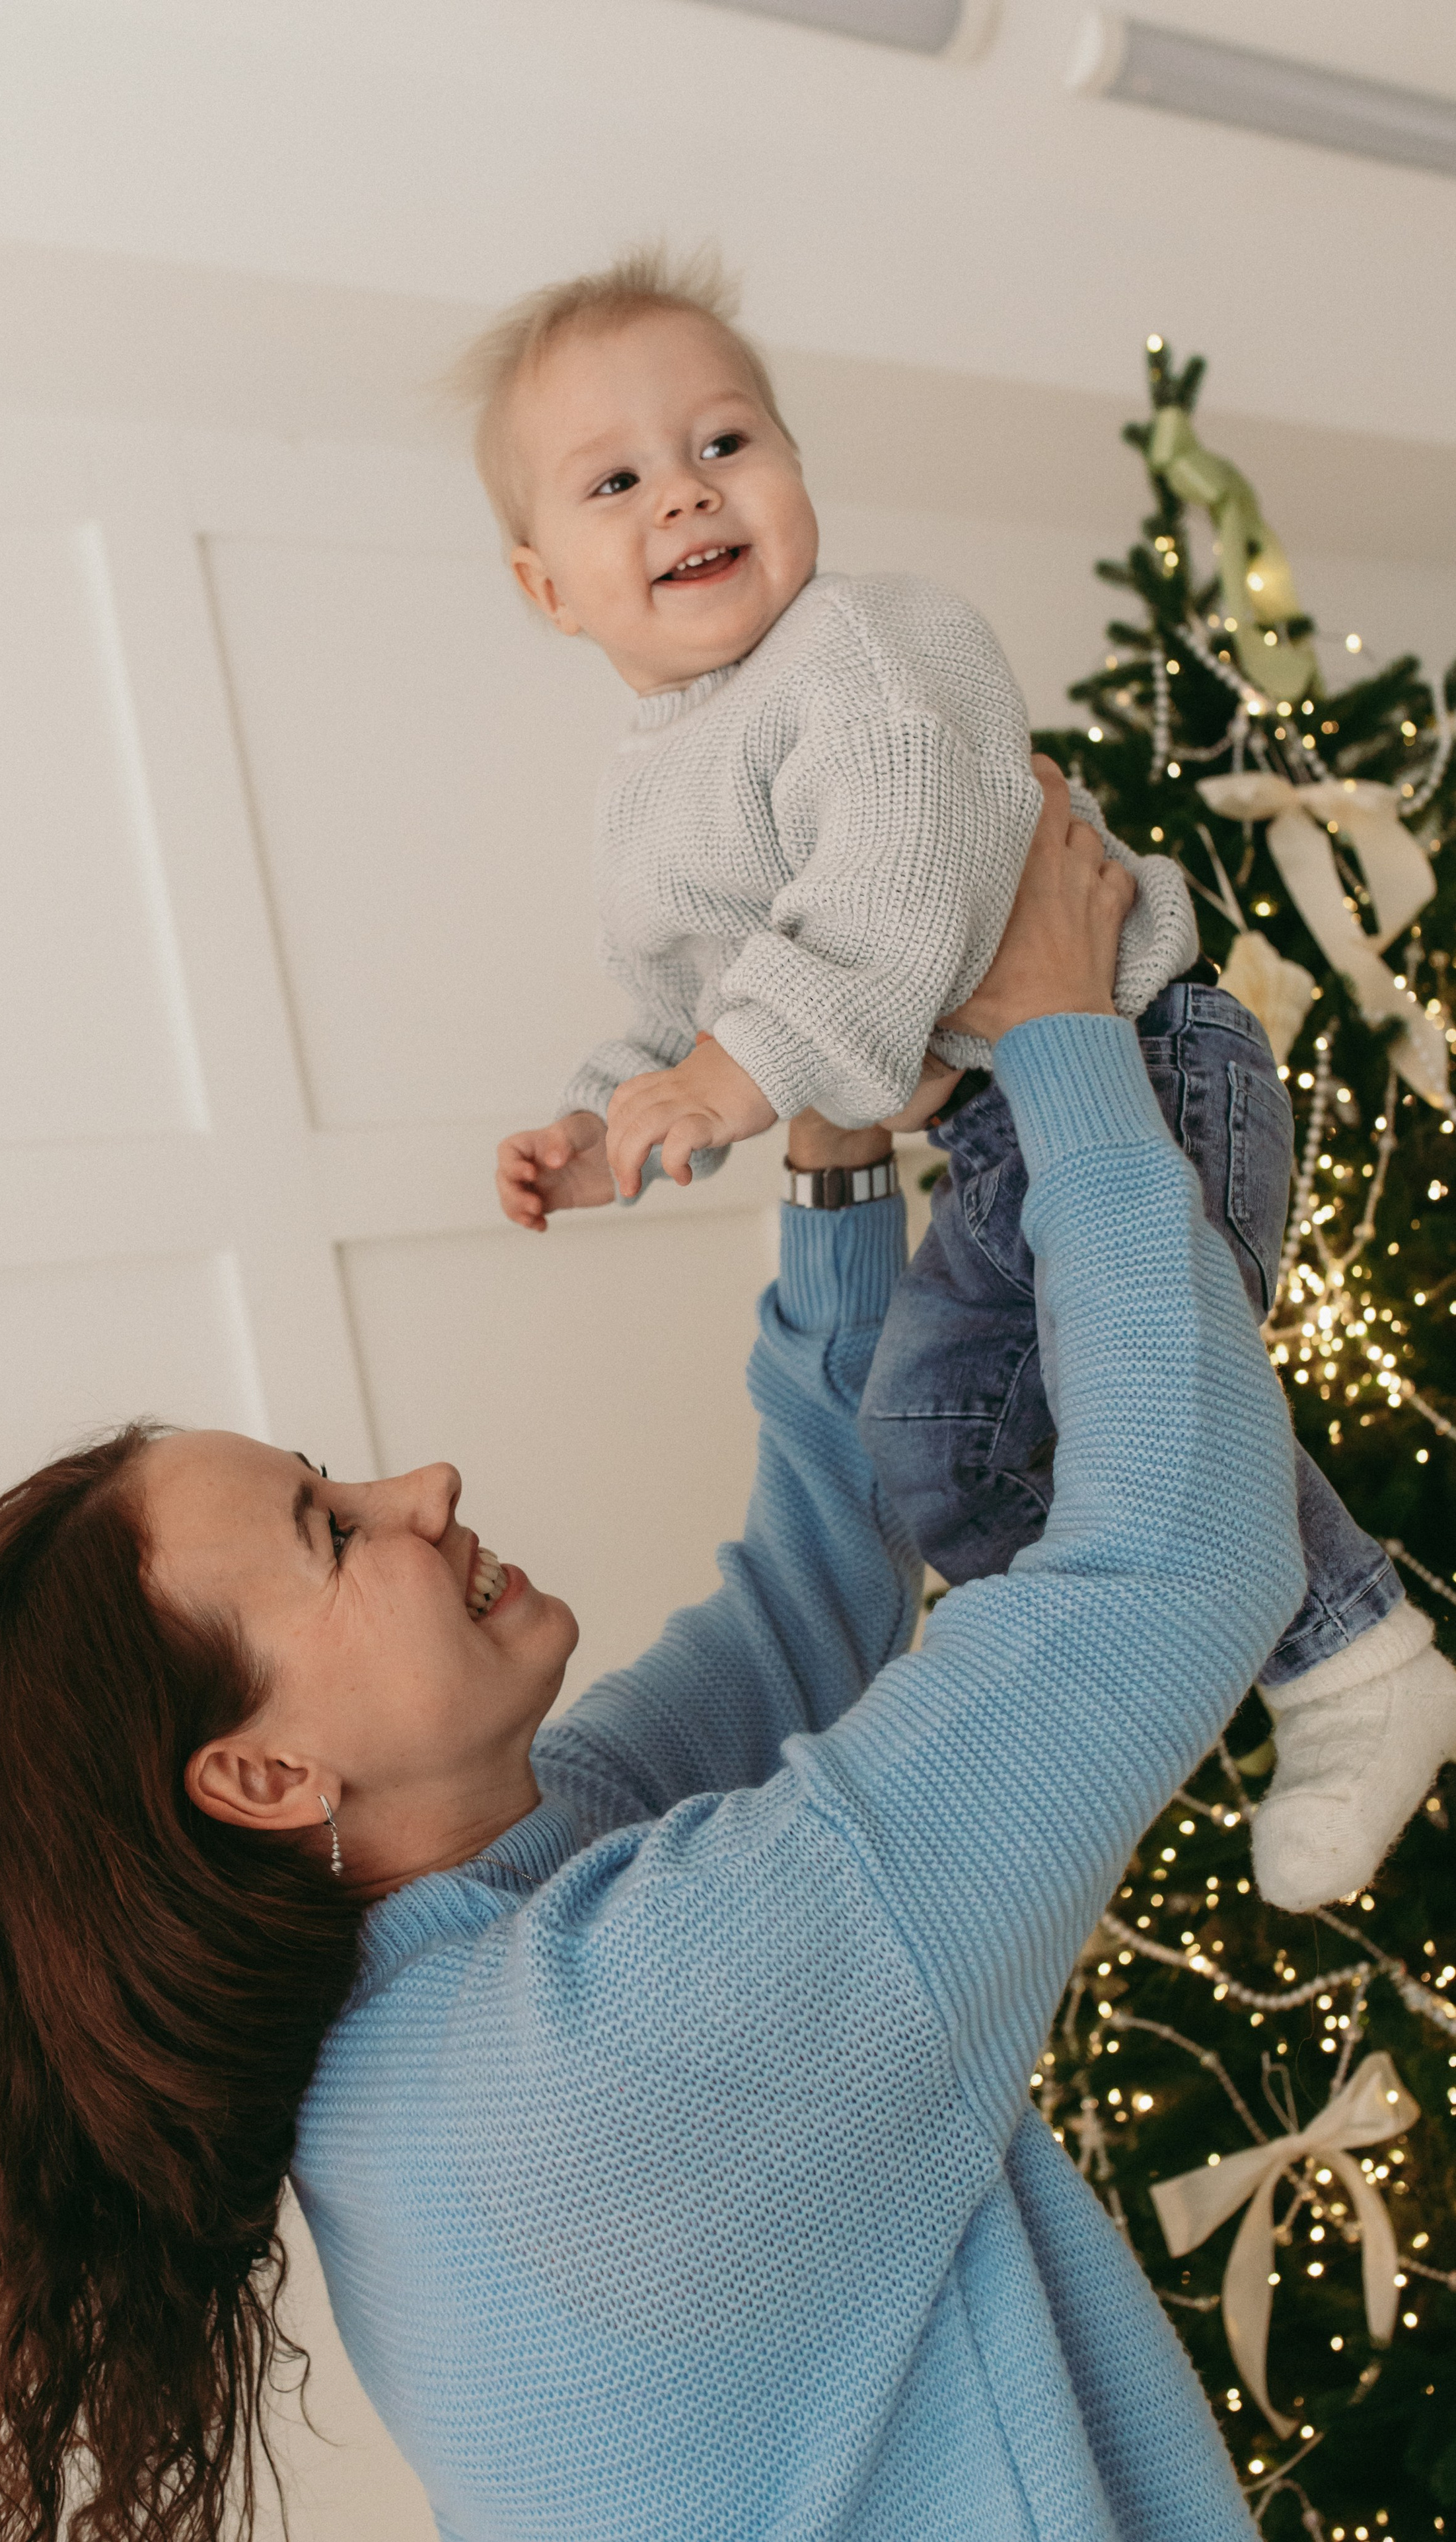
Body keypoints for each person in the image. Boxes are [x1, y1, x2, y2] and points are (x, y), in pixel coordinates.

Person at [0, 781, 1296, 2542]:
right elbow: (1177, 1565)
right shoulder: (606, 2046)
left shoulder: (456, 1965)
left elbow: (808, 1601)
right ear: (262, 1775)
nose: (426, 1489)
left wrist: (839, 1149)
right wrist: (1069, 1033)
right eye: (333, 1531)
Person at [474, 248, 1455, 1912]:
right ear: (547, 588)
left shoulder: (863, 650)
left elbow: (902, 886)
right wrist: (605, 1121)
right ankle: (1239, 1643)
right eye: (616, 480)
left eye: (725, 443)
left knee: (949, 1415)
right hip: (1007, 1126)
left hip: (1136, 1067)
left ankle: (1348, 1648)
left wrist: (727, 1078)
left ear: (793, 470)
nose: (683, 499)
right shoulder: (645, 798)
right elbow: (684, 1000)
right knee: (948, 1452)